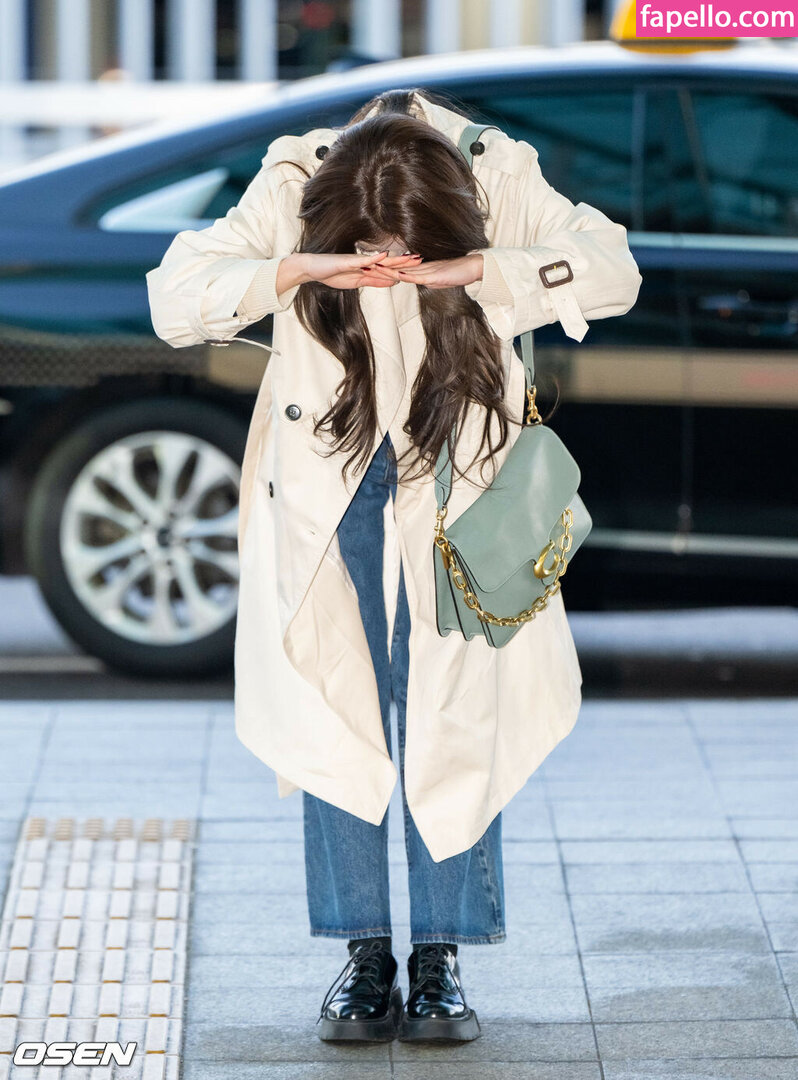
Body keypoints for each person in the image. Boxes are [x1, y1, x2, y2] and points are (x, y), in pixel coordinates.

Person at [146, 86, 642, 1044]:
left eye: (404, 254)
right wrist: (301, 266)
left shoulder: (498, 170)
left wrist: (479, 269)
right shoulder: (297, 176)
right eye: (369, 251)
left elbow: (612, 267)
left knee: (455, 708)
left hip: (459, 481)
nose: (386, 271)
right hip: (326, 476)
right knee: (337, 702)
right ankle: (364, 954)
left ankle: (440, 958)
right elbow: (176, 293)